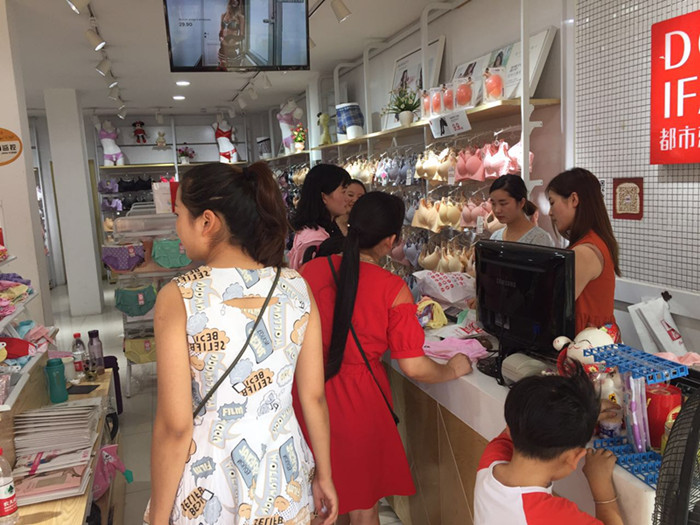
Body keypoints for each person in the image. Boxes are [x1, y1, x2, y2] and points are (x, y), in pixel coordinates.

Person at [147, 162, 337, 525]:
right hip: (284, 471)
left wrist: (156, 518)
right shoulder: (296, 287)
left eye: (179, 215)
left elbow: (175, 427)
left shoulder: (178, 297)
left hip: (208, 479)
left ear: (206, 221)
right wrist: (324, 475)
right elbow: (313, 397)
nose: (177, 227)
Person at [295, 192, 473, 525]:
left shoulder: (309, 272)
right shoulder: (392, 289)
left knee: (321, 502)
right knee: (364, 508)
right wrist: (452, 368)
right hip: (359, 403)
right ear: (391, 241)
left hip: (307, 394)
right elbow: (413, 365)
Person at [474, 362, 623, 525]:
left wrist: (584, 417)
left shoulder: (490, 461)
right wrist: (601, 486)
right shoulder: (552, 515)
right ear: (573, 458)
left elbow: (524, 421)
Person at [546, 168, 621, 335]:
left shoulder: (584, 252)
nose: (550, 212)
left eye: (552, 202)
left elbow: (553, 306)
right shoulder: (595, 242)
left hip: (584, 343)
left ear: (574, 199)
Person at [288, 164, 351, 269]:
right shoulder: (315, 239)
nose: (347, 199)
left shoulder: (316, 231)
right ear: (324, 196)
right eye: (343, 192)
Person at [489, 175, 553, 246]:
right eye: (493, 204)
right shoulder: (495, 237)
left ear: (521, 202)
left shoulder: (539, 238)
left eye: (503, 204)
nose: (497, 210)